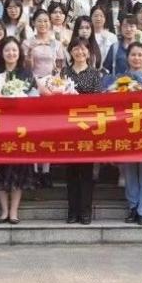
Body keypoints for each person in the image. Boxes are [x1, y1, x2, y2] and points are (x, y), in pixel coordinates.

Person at [0, 37, 38, 224]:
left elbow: (35, 95)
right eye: (7, 50)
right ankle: (4, 211)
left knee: (19, 168)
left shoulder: (26, 73)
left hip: (20, 127)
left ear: (19, 52)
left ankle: (14, 211)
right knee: (0, 168)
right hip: (0, 126)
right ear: (2, 53)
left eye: (14, 50)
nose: (11, 53)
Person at [111, 42, 142, 226]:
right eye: (133, 54)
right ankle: (133, 206)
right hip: (127, 129)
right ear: (127, 57)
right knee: (129, 169)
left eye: (140, 55)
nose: (136, 58)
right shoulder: (120, 79)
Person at [63, 36, 100, 225]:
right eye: (76, 48)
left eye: (83, 48)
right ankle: (72, 211)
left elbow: (98, 101)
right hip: (68, 129)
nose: (80, 51)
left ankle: (85, 211)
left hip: (87, 128)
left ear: (89, 52)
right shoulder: (64, 72)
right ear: (71, 51)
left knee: (86, 172)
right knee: (71, 172)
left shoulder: (94, 74)